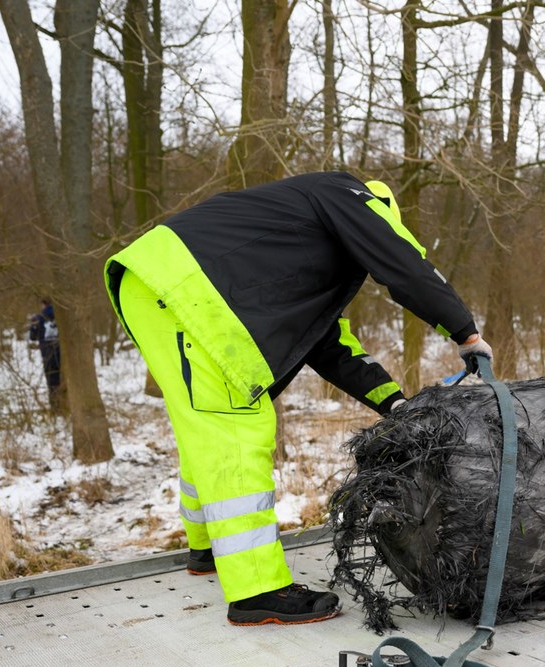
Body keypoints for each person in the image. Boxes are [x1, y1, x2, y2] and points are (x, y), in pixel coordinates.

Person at [102, 172, 492, 626]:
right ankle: (257, 590)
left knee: (206, 422)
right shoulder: (350, 196)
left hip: (159, 287)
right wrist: (464, 332)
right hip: (189, 295)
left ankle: (206, 547)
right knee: (236, 429)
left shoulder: (299, 242)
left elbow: (330, 345)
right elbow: (404, 264)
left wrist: (396, 405)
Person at [27, 298, 63, 410]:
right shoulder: (63, 316)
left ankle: (55, 405)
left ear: (43, 304)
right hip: (61, 353)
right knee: (62, 379)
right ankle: (65, 404)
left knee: (51, 381)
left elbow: (32, 337)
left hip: (47, 353)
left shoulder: (38, 318)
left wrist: (33, 326)